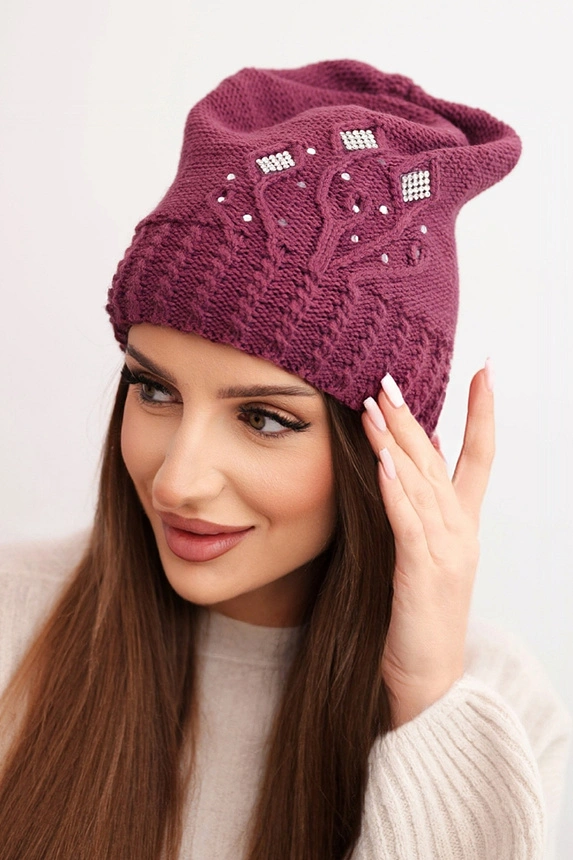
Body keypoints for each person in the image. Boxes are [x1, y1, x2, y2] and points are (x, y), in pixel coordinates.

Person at [0, 59, 570, 860]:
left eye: (264, 418)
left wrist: (424, 699)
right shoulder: (13, 619)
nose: (177, 480)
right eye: (154, 391)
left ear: (385, 446)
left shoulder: (491, 700)